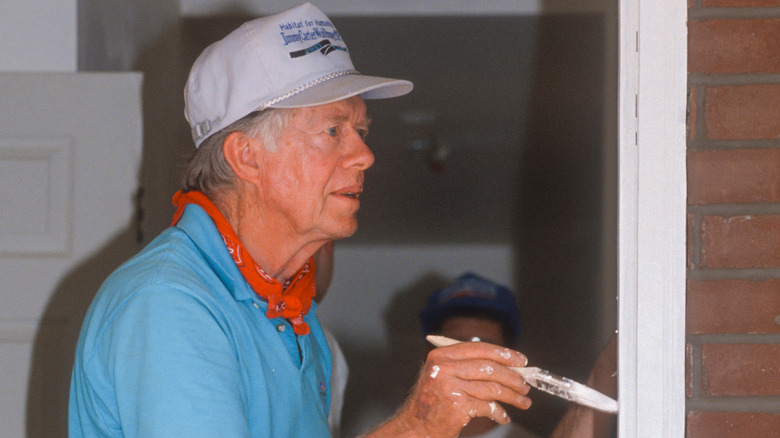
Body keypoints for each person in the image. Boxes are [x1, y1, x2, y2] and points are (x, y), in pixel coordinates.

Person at [68, 3, 533, 437]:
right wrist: (418, 426)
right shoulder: (170, 303)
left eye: (361, 130)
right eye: (333, 131)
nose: (365, 155)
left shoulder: (291, 313)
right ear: (246, 157)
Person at [421, 272, 618, 438]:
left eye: (481, 344)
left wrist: (608, 365)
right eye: (452, 342)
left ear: (511, 358)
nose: (467, 356)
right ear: (430, 354)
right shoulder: (402, 430)